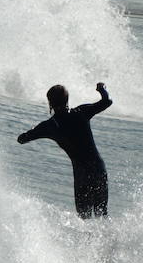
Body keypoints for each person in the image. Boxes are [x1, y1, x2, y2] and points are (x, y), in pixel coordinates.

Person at [16, 81, 113, 219]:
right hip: (98, 169)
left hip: (82, 175)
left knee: (84, 220)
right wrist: (102, 89)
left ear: (50, 103)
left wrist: (32, 131)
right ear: (67, 100)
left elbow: (22, 139)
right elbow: (107, 101)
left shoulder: (50, 126)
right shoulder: (81, 112)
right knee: (102, 215)